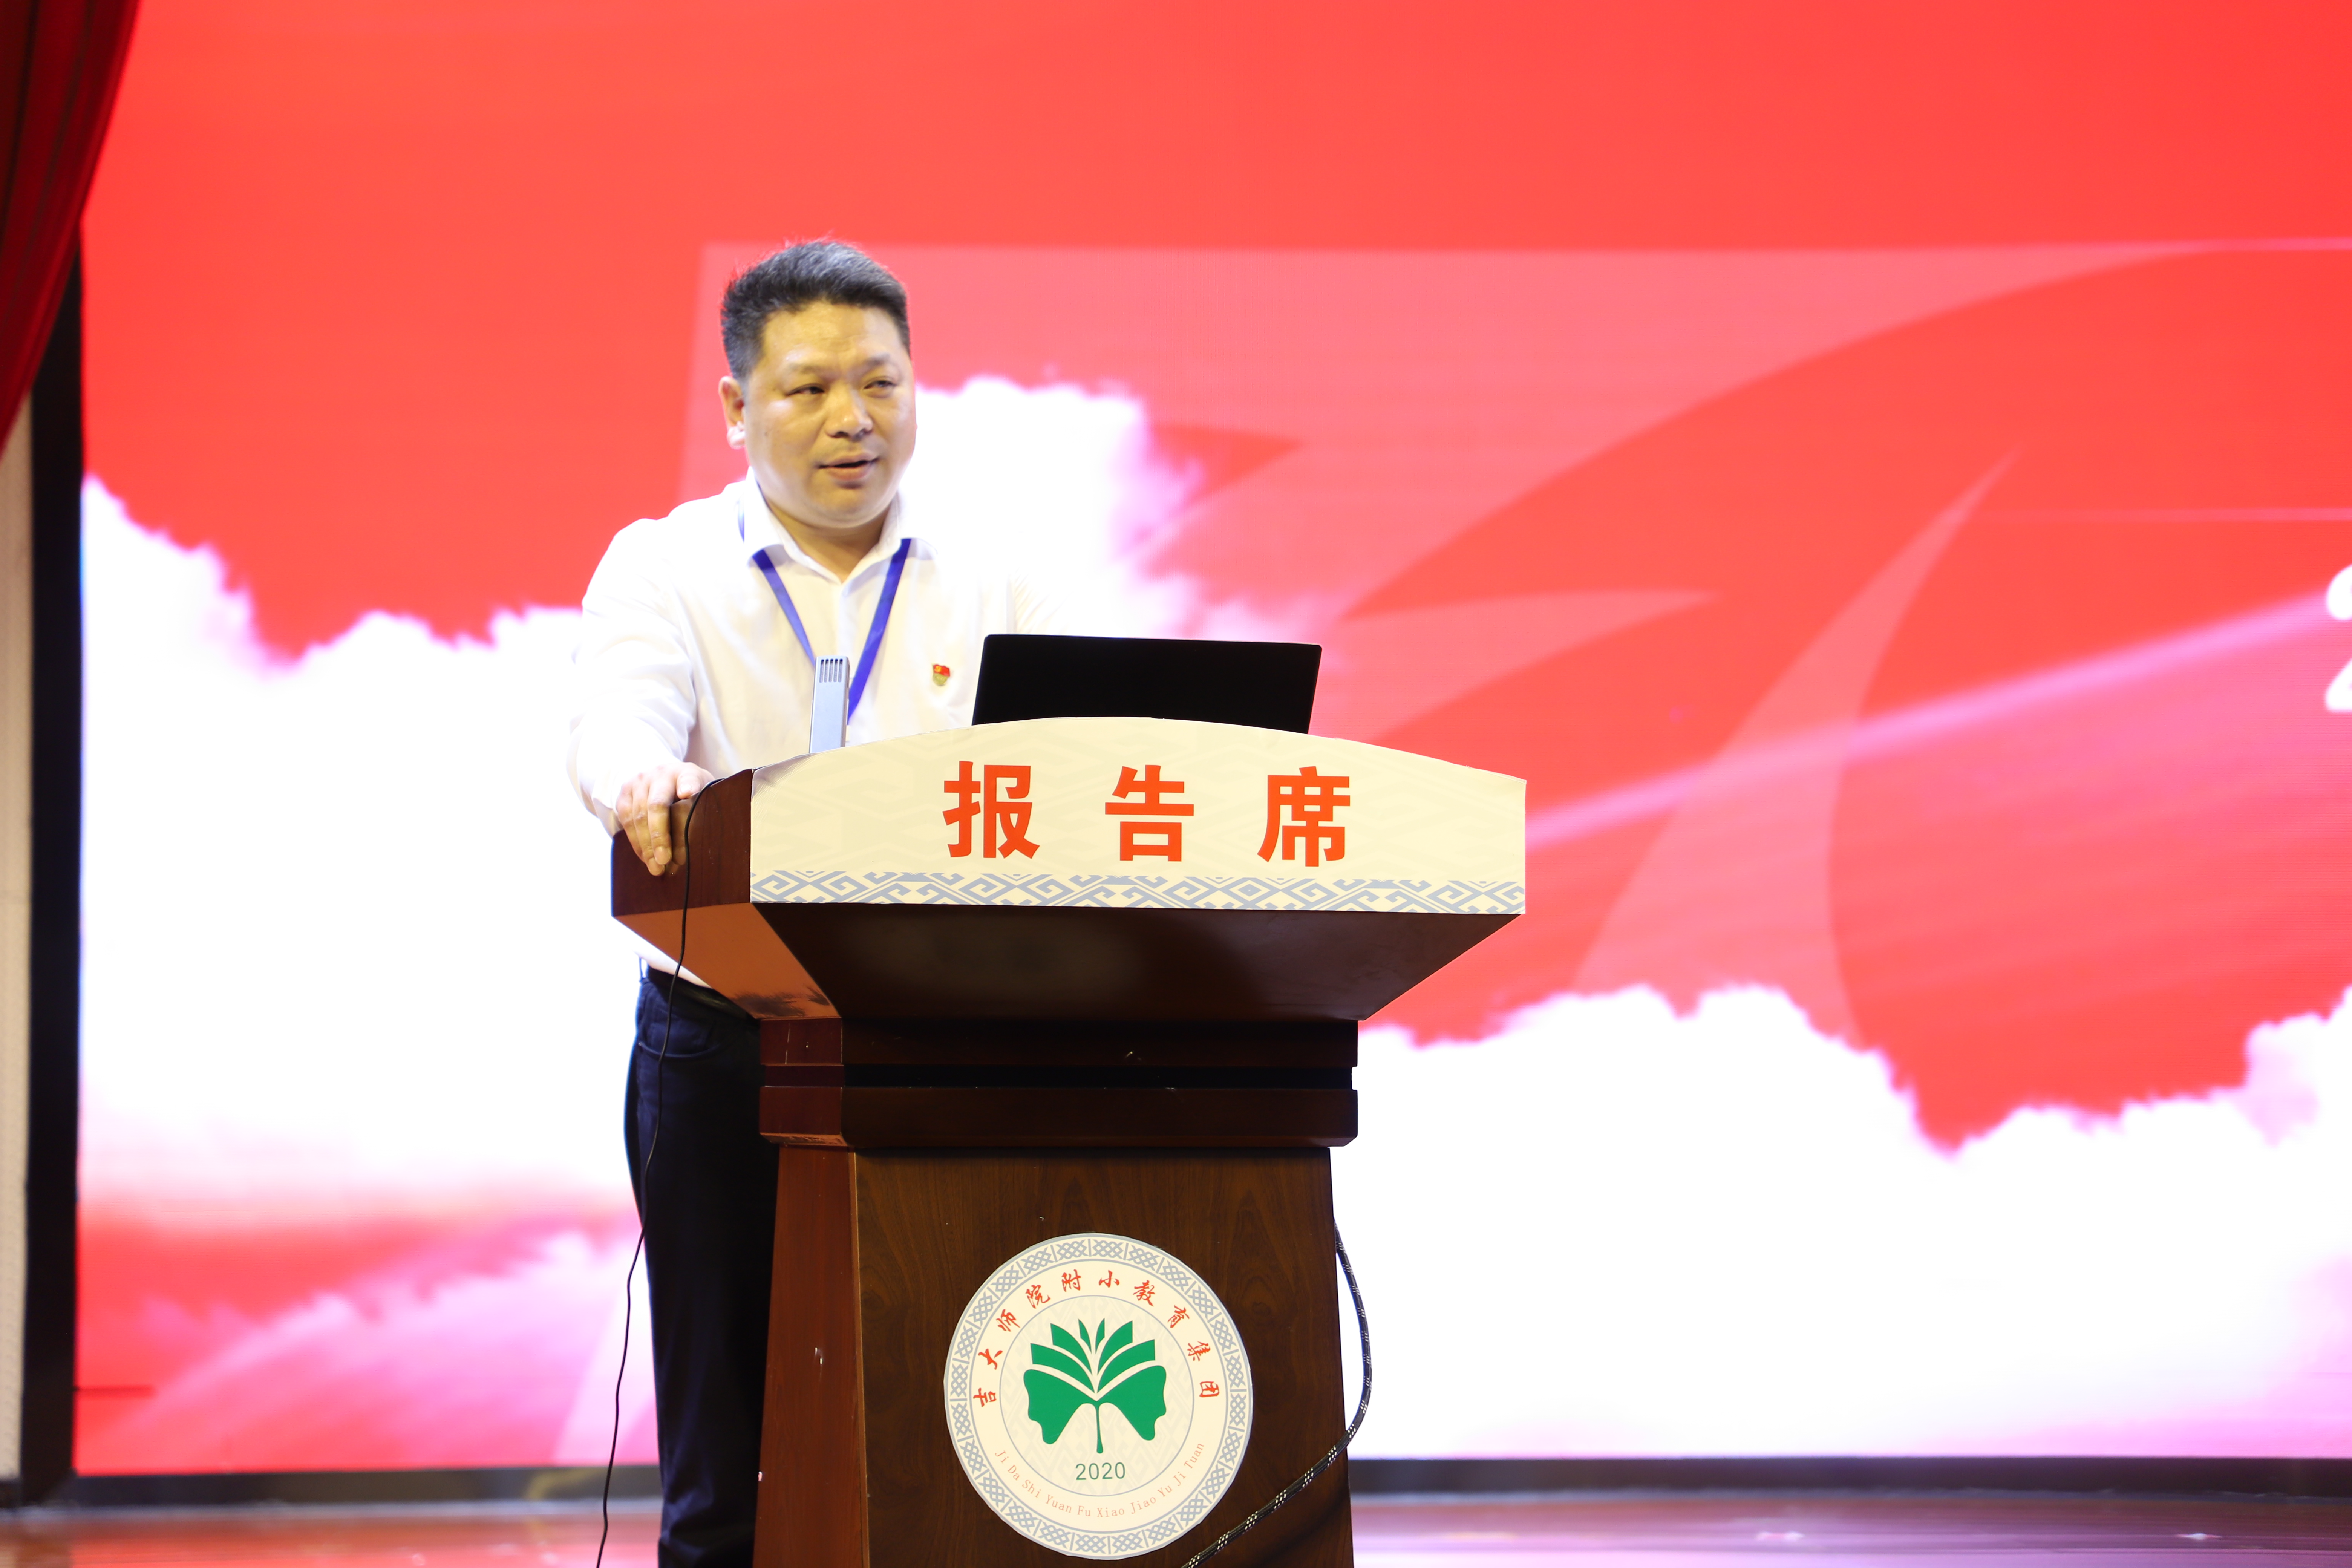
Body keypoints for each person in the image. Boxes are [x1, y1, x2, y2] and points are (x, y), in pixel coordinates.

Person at [566, 241, 1061, 1568]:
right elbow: (617, 716)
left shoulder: (994, 574)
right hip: (728, 1037)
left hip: (942, 1037)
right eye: (810, 389)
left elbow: (1074, 760)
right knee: (728, 1438)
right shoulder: (665, 566)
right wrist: (642, 777)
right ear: (738, 408)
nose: (855, 419)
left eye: (882, 383)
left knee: (954, 1404)